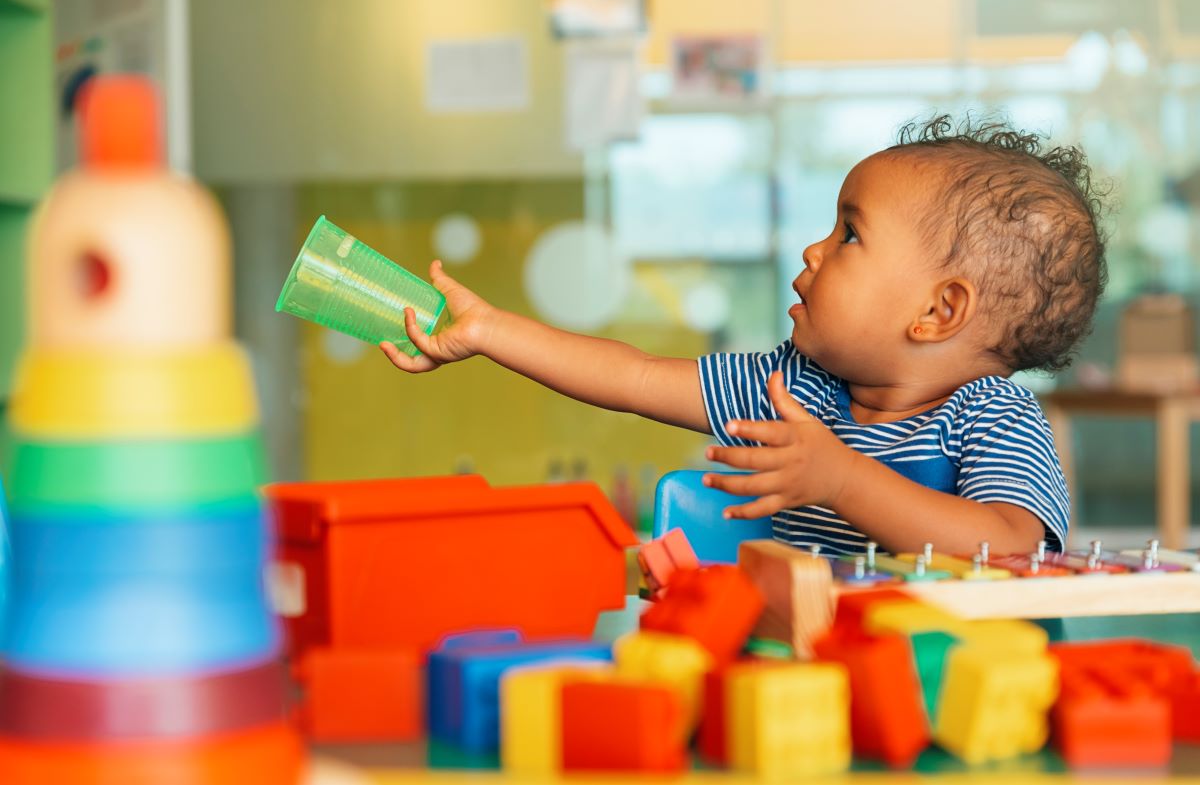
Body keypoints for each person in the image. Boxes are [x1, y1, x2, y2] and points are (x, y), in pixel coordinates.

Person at [380, 116, 1108, 558]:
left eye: (850, 233)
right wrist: (490, 330)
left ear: (938, 312)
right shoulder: (796, 387)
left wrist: (841, 478)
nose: (813, 251)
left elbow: (1012, 544)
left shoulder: (992, 416)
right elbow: (632, 378)